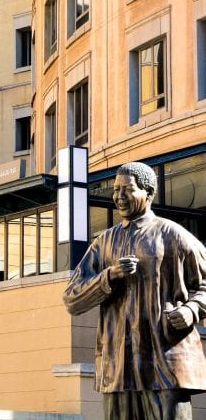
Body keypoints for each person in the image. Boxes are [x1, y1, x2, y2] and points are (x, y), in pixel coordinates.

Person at [63, 161, 206, 420]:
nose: (119, 196)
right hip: (119, 367)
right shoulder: (104, 242)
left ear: (148, 193)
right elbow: (72, 298)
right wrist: (109, 275)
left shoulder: (173, 235)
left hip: (164, 364)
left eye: (127, 189)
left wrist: (192, 309)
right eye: (116, 190)